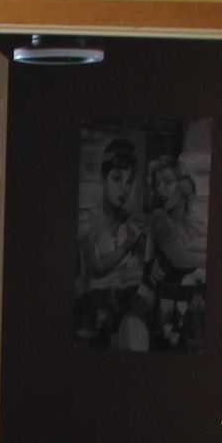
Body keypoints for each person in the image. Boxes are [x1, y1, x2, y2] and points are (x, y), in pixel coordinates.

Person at [75, 135, 153, 350]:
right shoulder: (87, 220)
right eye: (117, 178)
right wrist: (129, 244)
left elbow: (142, 274)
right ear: (103, 177)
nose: (124, 188)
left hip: (122, 312)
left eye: (129, 181)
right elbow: (97, 269)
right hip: (90, 314)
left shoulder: (131, 223)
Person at [139, 155, 209, 353]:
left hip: (191, 310)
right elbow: (180, 258)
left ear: (183, 184)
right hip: (165, 313)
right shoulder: (160, 218)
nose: (161, 190)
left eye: (168, 182)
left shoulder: (194, 224)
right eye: (157, 185)